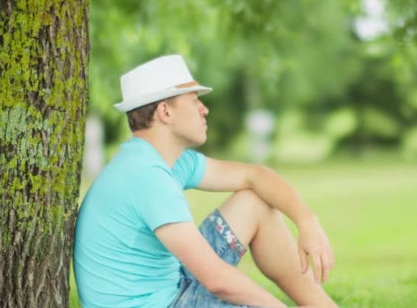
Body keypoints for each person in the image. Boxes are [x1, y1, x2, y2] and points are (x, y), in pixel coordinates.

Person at [74, 54, 338, 307]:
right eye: (193, 101)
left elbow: (254, 176)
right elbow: (217, 280)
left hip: (175, 289)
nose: (205, 109)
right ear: (165, 112)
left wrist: (307, 221)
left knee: (253, 201)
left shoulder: (162, 161)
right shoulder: (147, 177)